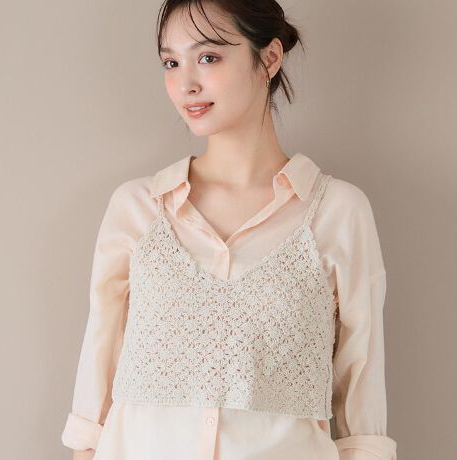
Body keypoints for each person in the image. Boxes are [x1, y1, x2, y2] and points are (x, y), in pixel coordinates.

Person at [61, 1, 398, 459]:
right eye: (171, 63)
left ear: (269, 58)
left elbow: (362, 385)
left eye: (208, 57)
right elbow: (94, 396)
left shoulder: (338, 212)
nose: (186, 83)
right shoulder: (138, 209)